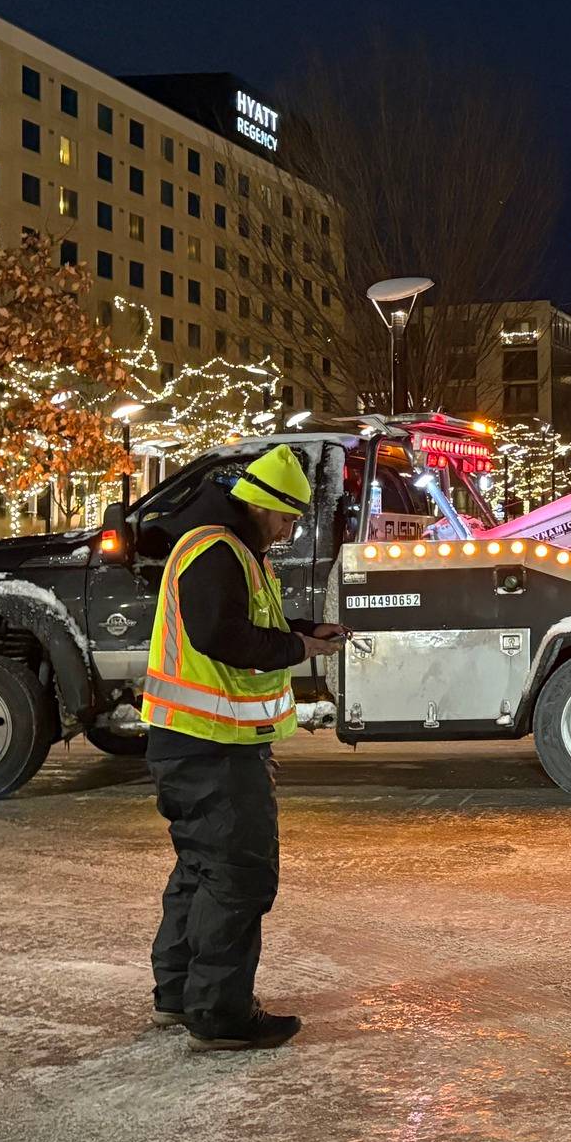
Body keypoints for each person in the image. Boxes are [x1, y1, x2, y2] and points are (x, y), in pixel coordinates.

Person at [141, 444, 346, 1051]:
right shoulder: (216, 551)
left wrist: (303, 632)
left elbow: (242, 621)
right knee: (238, 878)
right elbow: (221, 635)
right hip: (212, 746)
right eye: (287, 518)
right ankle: (220, 1014)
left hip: (199, 743)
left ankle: (179, 996)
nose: (289, 531)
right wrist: (297, 651)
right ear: (261, 505)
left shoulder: (232, 551)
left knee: (201, 871)